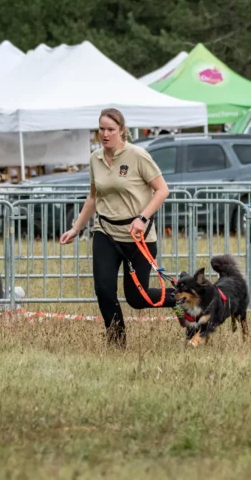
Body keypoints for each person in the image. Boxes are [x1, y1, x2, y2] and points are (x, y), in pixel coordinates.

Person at [59, 108, 175, 347]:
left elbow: (162, 190)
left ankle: (186, 301)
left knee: (137, 298)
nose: (105, 134)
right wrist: (76, 228)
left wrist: (142, 218)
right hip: (106, 233)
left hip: (137, 236)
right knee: (103, 289)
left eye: (110, 129)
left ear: (122, 130)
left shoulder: (137, 155)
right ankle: (116, 342)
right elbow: (93, 198)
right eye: (101, 129)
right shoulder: (95, 158)